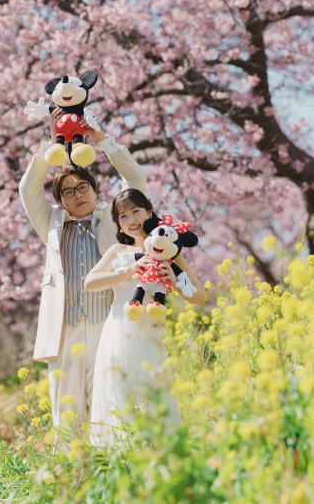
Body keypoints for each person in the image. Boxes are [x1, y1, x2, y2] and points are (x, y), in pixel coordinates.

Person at [18, 108, 146, 427]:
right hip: (65, 329)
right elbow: (27, 190)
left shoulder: (113, 220)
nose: (77, 195)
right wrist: (53, 144)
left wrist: (102, 140)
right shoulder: (51, 224)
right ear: (60, 201)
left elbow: (135, 181)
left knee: (109, 406)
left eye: (82, 188)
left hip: (107, 324)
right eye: (68, 192)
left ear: (95, 190)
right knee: (67, 413)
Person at [84, 189, 207, 445]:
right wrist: (128, 272)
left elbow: (200, 296)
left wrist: (176, 282)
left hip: (149, 335)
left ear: (149, 212)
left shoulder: (170, 251)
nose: (131, 220)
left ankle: (157, 454)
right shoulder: (118, 250)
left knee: (152, 392)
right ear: (118, 224)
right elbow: (90, 282)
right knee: (118, 390)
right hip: (118, 330)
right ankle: (120, 456)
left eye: (136, 211)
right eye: (123, 216)